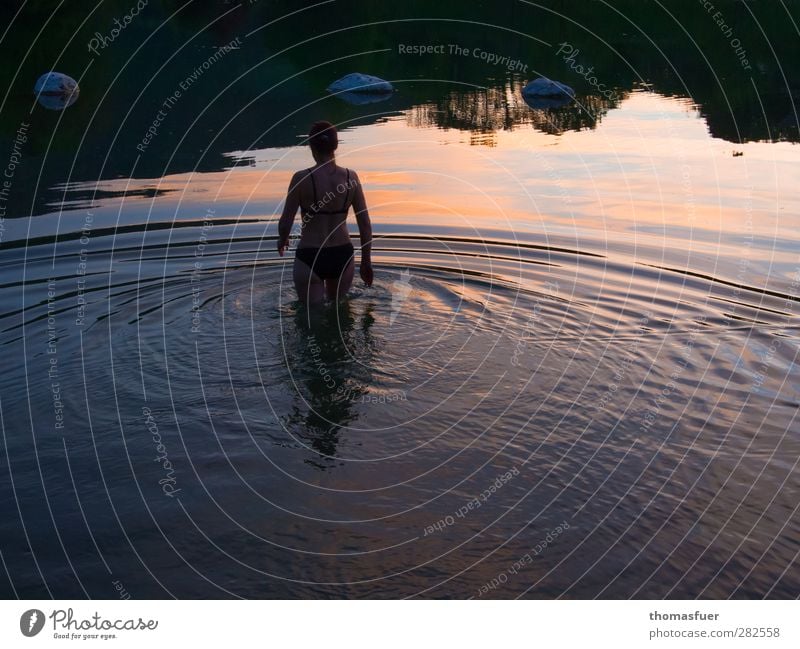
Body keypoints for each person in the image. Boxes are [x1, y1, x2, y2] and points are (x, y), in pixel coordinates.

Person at [277, 121, 373, 305]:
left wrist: (282, 240)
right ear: (336, 146)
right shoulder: (351, 178)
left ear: (311, 146)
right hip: (342, 255)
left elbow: (285, 223)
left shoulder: (300, 179)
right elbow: (365, 224)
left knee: (311, 318)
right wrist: (366, 262)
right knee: (339, 315)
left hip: (310, 255)